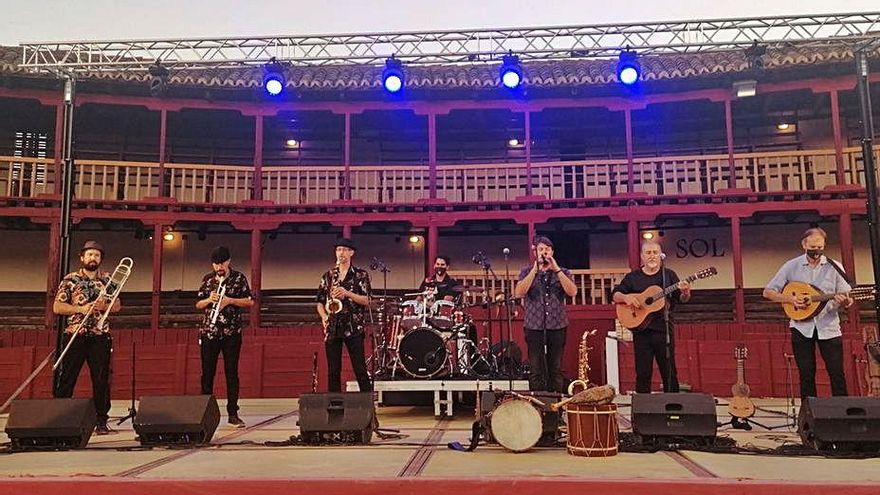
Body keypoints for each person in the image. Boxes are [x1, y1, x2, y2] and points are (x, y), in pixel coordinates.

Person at [763, 227, 853, 398]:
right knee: (806, 373)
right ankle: (808, 416)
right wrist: (790, 299)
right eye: (812, 247)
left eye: (820, 247)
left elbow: (848, 297)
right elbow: (768, 292)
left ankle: (842, 415)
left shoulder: (835, 266)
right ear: (804, 245)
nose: (816, 251)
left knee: (836, 373)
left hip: (829, 327)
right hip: (800, 327)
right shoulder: (791, 266)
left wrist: (846, 301)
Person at [53, 240, 122, 435]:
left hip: (100, 335)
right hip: (76, 334)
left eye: (97, 255)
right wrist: (81, 309)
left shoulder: (109, 279)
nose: (93, 258)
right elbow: (57, 307)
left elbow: (117, 306)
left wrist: (104, 306)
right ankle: (60, 417)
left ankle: (101, 419)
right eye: (90, 254)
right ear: (82, 257)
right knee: (67, 377)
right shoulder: (70, 279)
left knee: (101, 379)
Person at [612, 241, 691, 394]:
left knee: (669, 371)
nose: (652, 256)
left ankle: (673, 405)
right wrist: (626, 298)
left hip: (663, 330)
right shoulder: (633, 277)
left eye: (655, 252)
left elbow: (681, 299)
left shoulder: (668, 275)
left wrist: (686, 292)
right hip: (642, 332)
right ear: (642, 256)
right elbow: (615, 294)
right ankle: (642, 411)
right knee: (643, 372)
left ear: (660, 256)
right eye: (648, 253)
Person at [195, 246, 254, 428]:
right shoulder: (207, 280)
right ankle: (205, 412)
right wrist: (209, 300)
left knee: (231, 373)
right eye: (216, 264)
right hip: (209, 332)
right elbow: (198, 304)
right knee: (207, 373)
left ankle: (233, 413)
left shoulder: (239, 278)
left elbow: (250, 301)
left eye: (222, 263)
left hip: (231, 332)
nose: (219, 267)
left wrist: (229, 300)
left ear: (229, 261)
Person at [513, 236, 577, 393]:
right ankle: (538, 409)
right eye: (541, 249)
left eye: (547, 249)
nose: (544, 252)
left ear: (552, 252)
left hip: (557, 325)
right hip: (534, 326)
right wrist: (534, 271)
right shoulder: (526, 272)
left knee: (556, 368)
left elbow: (572, 291)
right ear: (535, 252)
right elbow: (519, 293)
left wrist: (557, 269)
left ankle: (555, 411)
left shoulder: (564, 272)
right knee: (536, 369)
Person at [316, 238, 373, 393]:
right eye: (338, 249)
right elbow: (320, 302)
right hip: (333, 326)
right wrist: (323, 317)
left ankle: (367, 408)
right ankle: (335, 407)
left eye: (344, 249)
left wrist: (347, 293)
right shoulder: (328, 276)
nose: (341, 252)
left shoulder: (361, 275)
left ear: (351, 252)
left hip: (354, 327)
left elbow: (367, 300)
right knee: (333, 371)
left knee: (360, 369)